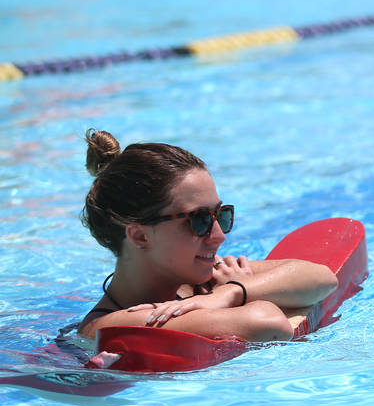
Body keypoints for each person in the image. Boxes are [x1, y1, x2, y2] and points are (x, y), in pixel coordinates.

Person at [77, 129, 337, 344]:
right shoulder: (111, 324)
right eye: (199, 220)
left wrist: (229, 294)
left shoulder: (195, 282)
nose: (219, 235)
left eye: (220, 215)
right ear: (140, 236)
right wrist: (235, 293)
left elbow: (321, 277)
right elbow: (268, 323)